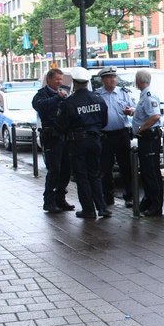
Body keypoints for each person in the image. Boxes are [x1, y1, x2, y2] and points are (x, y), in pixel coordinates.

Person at [55, 67, 112, 219]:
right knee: (94, 175)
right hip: (95, 140)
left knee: (82, 176)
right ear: (87, 82)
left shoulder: (69, 102)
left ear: (74, 83)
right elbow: (104, 122)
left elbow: (61, 125)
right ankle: (102, 208)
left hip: (77, 142)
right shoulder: (99, 99)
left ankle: (88, 209)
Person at [32, 68, 74, 213]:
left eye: (61, 80)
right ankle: (48, 201)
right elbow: (40, 106)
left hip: (64, 137)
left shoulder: (63, 93)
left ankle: (60, 199)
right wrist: (58, 98)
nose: (59, 82)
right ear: (49, 79)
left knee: (66, 169)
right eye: (57, 79)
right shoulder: (42, 94)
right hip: (51, 137)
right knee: (54, 169)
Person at [96, 66, 135, 208]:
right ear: (103, 80)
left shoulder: (123, 93)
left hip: (121, 134)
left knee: (126, 167)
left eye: (114, 77)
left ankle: (129, 196)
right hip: (105, 136)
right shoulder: (98, 95)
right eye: (109, 77)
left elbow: (134, 109)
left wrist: (131, 111)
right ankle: (108, 197)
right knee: (105, 168)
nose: (112, 80)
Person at [132, 69, 163, 217]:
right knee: (145, 172)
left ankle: (156, 205)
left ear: (138, 81)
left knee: (151, 172)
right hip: (145, 139)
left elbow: (155, 116)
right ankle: (148, 200)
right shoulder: (144, 96)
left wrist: (141, 128)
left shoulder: (149, 96)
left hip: (150, 138)